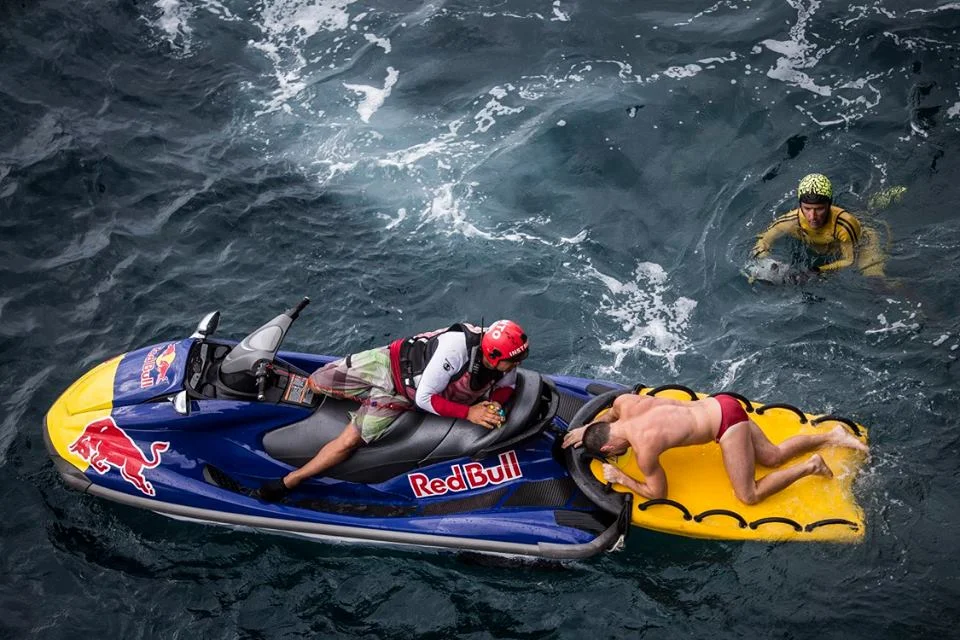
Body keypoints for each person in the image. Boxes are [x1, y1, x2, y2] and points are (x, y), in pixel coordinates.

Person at [257, 319, 530, 500]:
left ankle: (292, 480)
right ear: (492, 355)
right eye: (512, 359)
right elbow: (427, 398)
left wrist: (497, 402)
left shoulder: (504, 361)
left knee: (349, 442)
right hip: (389, 364)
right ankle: (361, 394)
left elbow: (507, 385)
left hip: (402, 397)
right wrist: (469, 413)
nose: (517, 363)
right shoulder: (455, 351)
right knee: (315, 382)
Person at [561, 393, 868, 505]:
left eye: (610, 451)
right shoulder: (626, 403)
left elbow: (658, 493)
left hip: (725, 428)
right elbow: (609, 417)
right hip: (723, 403)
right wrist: (585, 429)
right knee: (772, 457)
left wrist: (620, 477)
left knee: (749, 495)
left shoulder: (645, 449)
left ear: (609, 444)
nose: (614, 452)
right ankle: (833, 436)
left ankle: (811, 465)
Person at [752, 173, 890, 278]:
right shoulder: (789, 221)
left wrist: (817, 271)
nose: (812, 216)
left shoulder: (845, 225)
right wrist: (765, 260)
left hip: (861, 240)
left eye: (819, 209)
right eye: (807, 209)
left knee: (875, 281)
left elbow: (849, 261)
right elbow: (763, 240)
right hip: (825, 246)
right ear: (799, 205)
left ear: (829, 205)